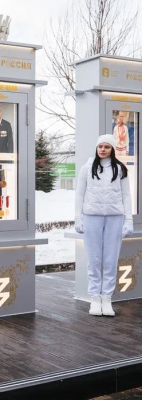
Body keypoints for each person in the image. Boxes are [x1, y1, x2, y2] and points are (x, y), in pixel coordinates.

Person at [75, 134, 133, 317]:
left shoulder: (120, 169)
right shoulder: (87, 168)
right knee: (94, 259)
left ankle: (107, 298)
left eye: (107, 147)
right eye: (100, 146)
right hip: (92, 217)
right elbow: (79, 194)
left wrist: (128, 219)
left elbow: (126, 196)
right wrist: (78, 218)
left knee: (110, 259)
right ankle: (95, 298)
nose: (103, 149)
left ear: (113, 149)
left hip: (114, 217)